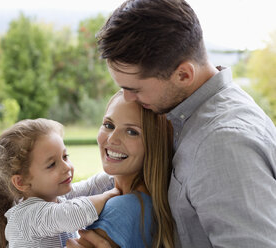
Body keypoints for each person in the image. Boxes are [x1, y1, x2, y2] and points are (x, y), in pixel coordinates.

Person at [68, 0, 276, 247]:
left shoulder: (223, 144)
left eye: (134, 89)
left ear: (184, 75)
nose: (127, 98)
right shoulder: (186, 118)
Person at [0, 118, 120, 248]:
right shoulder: (25, 218)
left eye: (65, 156)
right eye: (52, 164)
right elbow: (72, 214)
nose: (66, 167)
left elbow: (92, 186)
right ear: (21, 181)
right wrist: (109, 195)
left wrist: (120, 173)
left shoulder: (56, 197)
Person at [68, 90, 174, 248]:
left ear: (154, 144)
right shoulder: (142, 201)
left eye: (132, 132)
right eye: (108, 125)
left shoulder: (121, 209)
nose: (112, 139)